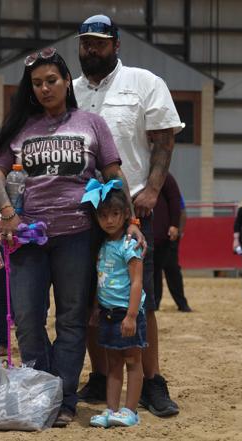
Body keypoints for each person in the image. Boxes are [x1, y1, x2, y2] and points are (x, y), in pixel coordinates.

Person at [0, 48, 140, 427]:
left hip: (77, 236)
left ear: (65, 82)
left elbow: (113, 174)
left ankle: (64, 398)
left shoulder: (91, 123)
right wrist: (8, 212)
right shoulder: (19, 127)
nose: (44, 88)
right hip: (27, 237)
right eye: (36, 83)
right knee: (27, 319)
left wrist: (131, 220)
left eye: (51, 80)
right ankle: (41, 392)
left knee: (71, 319)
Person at [73, 14, 183, 417]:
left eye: (100, 42)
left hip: (133, 207)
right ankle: (101, 375)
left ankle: (152, 381)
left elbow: (164, 139)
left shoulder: (144, 83)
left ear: (117, 45)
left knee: (143, 299)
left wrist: (152, 189)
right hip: (84, 212)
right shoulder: (71, 92)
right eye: (86, 42)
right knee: (88, 299)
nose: (92, 49)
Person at [85, 183, 147, 428]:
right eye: (103, 215)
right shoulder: (102, 245)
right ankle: (111, 410)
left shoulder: (129, 246)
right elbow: (100, 280)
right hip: (107, 314)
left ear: (124, 215)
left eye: (115, 214)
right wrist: (95, 308)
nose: (109, 220)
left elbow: (137, 282)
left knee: (132, 360)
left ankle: (130, 410)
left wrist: (131, 316)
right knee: (112, 363)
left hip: (126, 313)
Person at [152, 173, 191, 312]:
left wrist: (177, 230)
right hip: (153, 236)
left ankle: (182, 303)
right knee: (154, 272)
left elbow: (181, 210)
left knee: (172, 269)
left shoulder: (166, 178)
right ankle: (154, 303)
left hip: (168, 236)